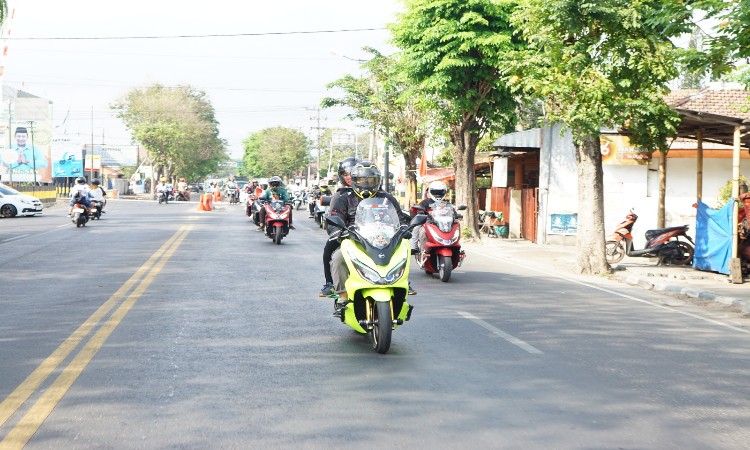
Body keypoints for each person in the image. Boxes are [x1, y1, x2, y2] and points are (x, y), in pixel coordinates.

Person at [327, 161, 414, 301]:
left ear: (378, 181)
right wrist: (337, 230)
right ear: (354, 181)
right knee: (338, 258)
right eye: (361, 180)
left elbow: (400, 218)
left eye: (370, 180)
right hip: (353, 240)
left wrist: (404, 228)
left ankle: (402, 283)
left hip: (385, 239)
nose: (366, 183)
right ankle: (343, 295)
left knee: (404, 253)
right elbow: (335, 217)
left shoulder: (387, 198)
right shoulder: (344, 198)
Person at [320, 157, 359, 296]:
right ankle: (330, 283)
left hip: (374, 236)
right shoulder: (341, 195)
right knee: (329, 251)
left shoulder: (376, 193)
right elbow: (334, 216)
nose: (348, 177)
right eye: (345, 174)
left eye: (352, 173)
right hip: (348, 234)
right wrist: (337, 231)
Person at [410, 180, 449, 254]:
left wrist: (456, 215)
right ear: (430, 192)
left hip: (444, 225)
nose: (438, 194)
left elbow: (453, 211)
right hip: (428, 224)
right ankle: (417, 248)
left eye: (440, 192)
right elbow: (419, 210)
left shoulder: (446, 203)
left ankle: (453, 248)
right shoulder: (425, 202)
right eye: (435, 192)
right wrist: (421, 212)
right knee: (420, 231)